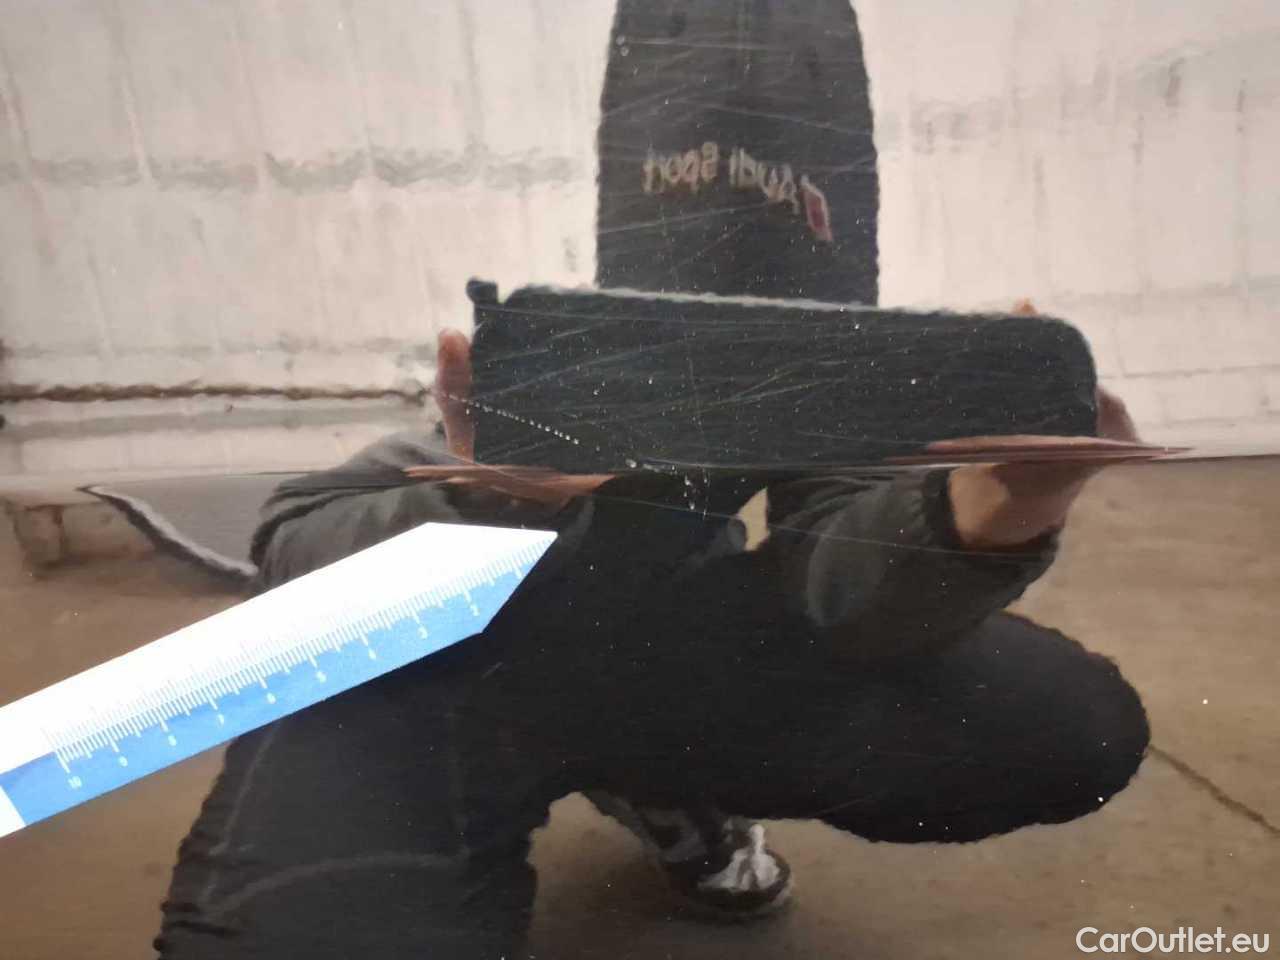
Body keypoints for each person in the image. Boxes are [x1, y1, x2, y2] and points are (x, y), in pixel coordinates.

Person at [157, 3, 1149, 956]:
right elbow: (292, 546)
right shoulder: (553, 375)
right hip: (441, 683)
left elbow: (837, 599)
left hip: (655, 665)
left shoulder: (829, 385)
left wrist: (987, 511)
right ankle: (627, 782)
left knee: (1067, 725)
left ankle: (662, 786)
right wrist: (496, 496)